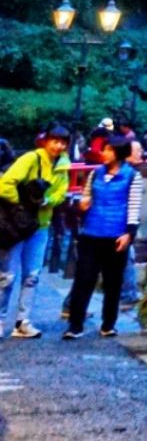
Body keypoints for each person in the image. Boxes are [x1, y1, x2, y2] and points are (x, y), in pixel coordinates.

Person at [63, 138, 144, 339]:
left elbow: (134, 207)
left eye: (108, 150)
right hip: (91, 232)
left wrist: (129, 233)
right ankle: (75, 325)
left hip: (116, 234)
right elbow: (85, 196)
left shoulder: (132, 176)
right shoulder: (95, 173)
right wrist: (83, 204)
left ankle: (108, 324)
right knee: (84, 279)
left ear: (119, 153)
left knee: (112, 282)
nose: (104, 153)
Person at [0, 129, 72, 340]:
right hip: (16, 225)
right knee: (7, 276)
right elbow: (5, 184)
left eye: (63, 143)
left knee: (32, 275)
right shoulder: (31, 159)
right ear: (45, 141)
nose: (58, 146)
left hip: (40, 225)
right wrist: (21, 204)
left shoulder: (63, 166)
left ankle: (23, 322)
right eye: (55, 141)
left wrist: (47, 201)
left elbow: (61, 193)